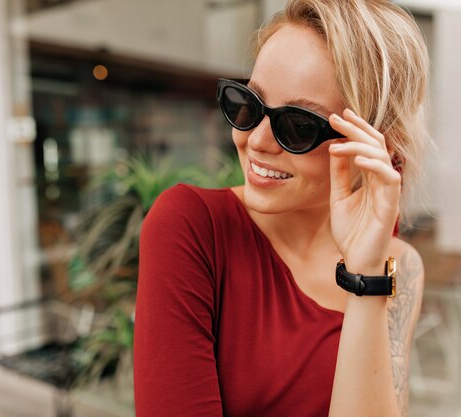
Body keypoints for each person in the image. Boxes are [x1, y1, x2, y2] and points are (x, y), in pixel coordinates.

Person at [134, 0, 429, 416]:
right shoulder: (191, 226)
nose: (256, 140)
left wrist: (365, 274)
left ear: (378, 147)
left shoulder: (398, 268)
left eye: (297, 125)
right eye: (247, 105)